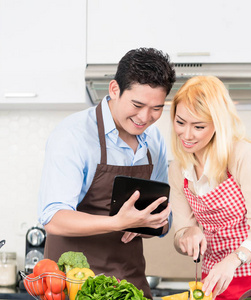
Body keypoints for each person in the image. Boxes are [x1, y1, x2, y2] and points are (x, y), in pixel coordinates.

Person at [37, 47, 176, 298]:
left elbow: (163, 215)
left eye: (156, 108)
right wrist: (117, 222)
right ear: (114, 89)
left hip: (129, 284)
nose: (145, 117)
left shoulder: (154, 140)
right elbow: (53, 217)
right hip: (73, 285)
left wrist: (155, 223)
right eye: (137, 104)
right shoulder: (73, 135)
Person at [169, 76, 251, 300]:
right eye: (180, 122)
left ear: (218, 124)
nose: (186, 135)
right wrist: (188, 232)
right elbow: (179, 236)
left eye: (198, 126)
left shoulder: (243, 156)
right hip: (216, 278)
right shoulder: (179, 168)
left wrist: (234, 260)